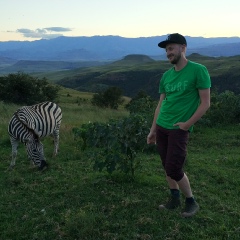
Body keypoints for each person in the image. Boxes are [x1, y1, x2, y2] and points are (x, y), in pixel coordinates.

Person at [147, 33, 211, 217]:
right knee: (166, 165)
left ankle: (191, 201)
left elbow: (205, 103)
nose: (168, 53)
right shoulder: (166, 76)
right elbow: (160, 104)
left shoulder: (198, 70)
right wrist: (152, 130)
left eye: (171, 48)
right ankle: (174, 198)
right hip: (162, 126)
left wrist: (187, 124)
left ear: (183, 48)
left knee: (174, 168)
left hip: (178, 128)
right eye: (167, 50)